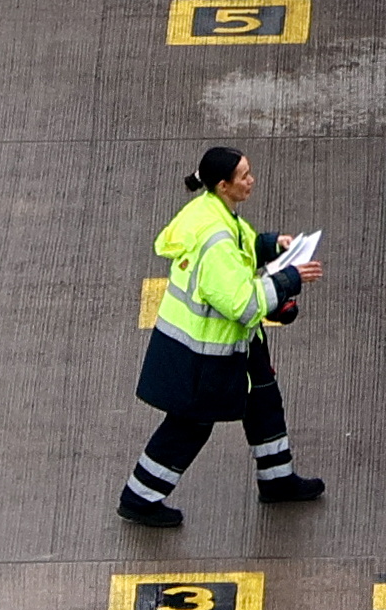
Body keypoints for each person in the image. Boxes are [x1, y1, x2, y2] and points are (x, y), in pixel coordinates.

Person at [118, 144, 324, 526]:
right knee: (190, 425)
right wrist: (289, 278)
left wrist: (268, 244)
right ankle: (141, 497)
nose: (251, 181)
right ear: (223, 184)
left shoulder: (211, 211)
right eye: (244, 176)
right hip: (205, 351)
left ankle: (277, 479)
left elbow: (242, 243)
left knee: (263, 400)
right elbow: (243, 303)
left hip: (231, 344)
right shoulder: (216, 240)